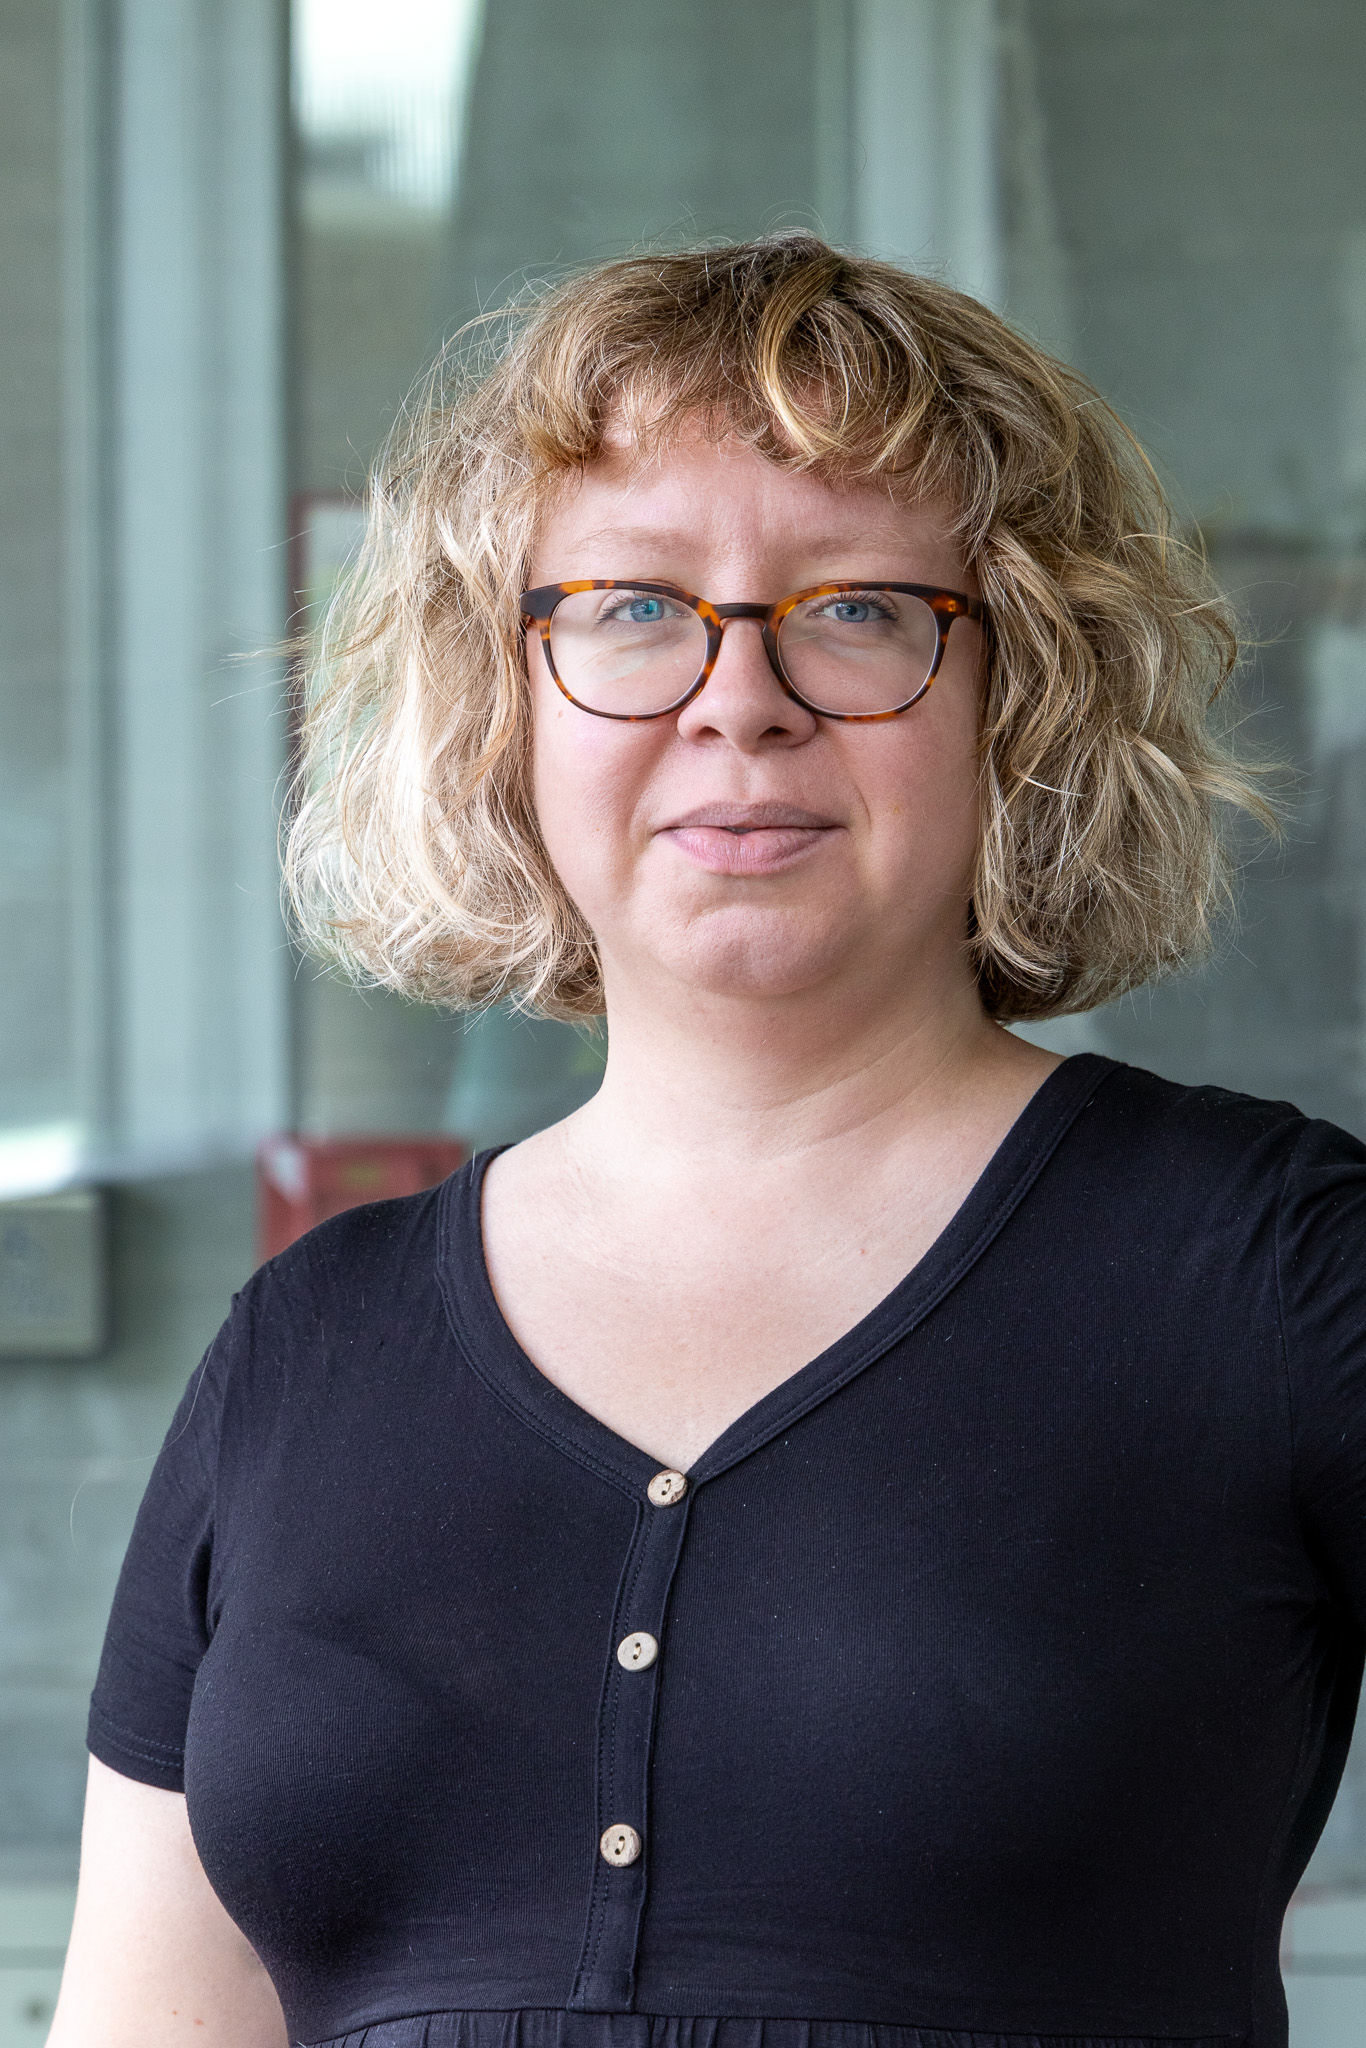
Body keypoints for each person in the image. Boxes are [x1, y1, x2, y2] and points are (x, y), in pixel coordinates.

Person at [49, 235, 1364, 2048]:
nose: (737, 698)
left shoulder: (1281, 1274)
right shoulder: (302, 1347)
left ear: (1021, 698)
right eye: (632, 606)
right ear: (499, 703)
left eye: (855, 609)